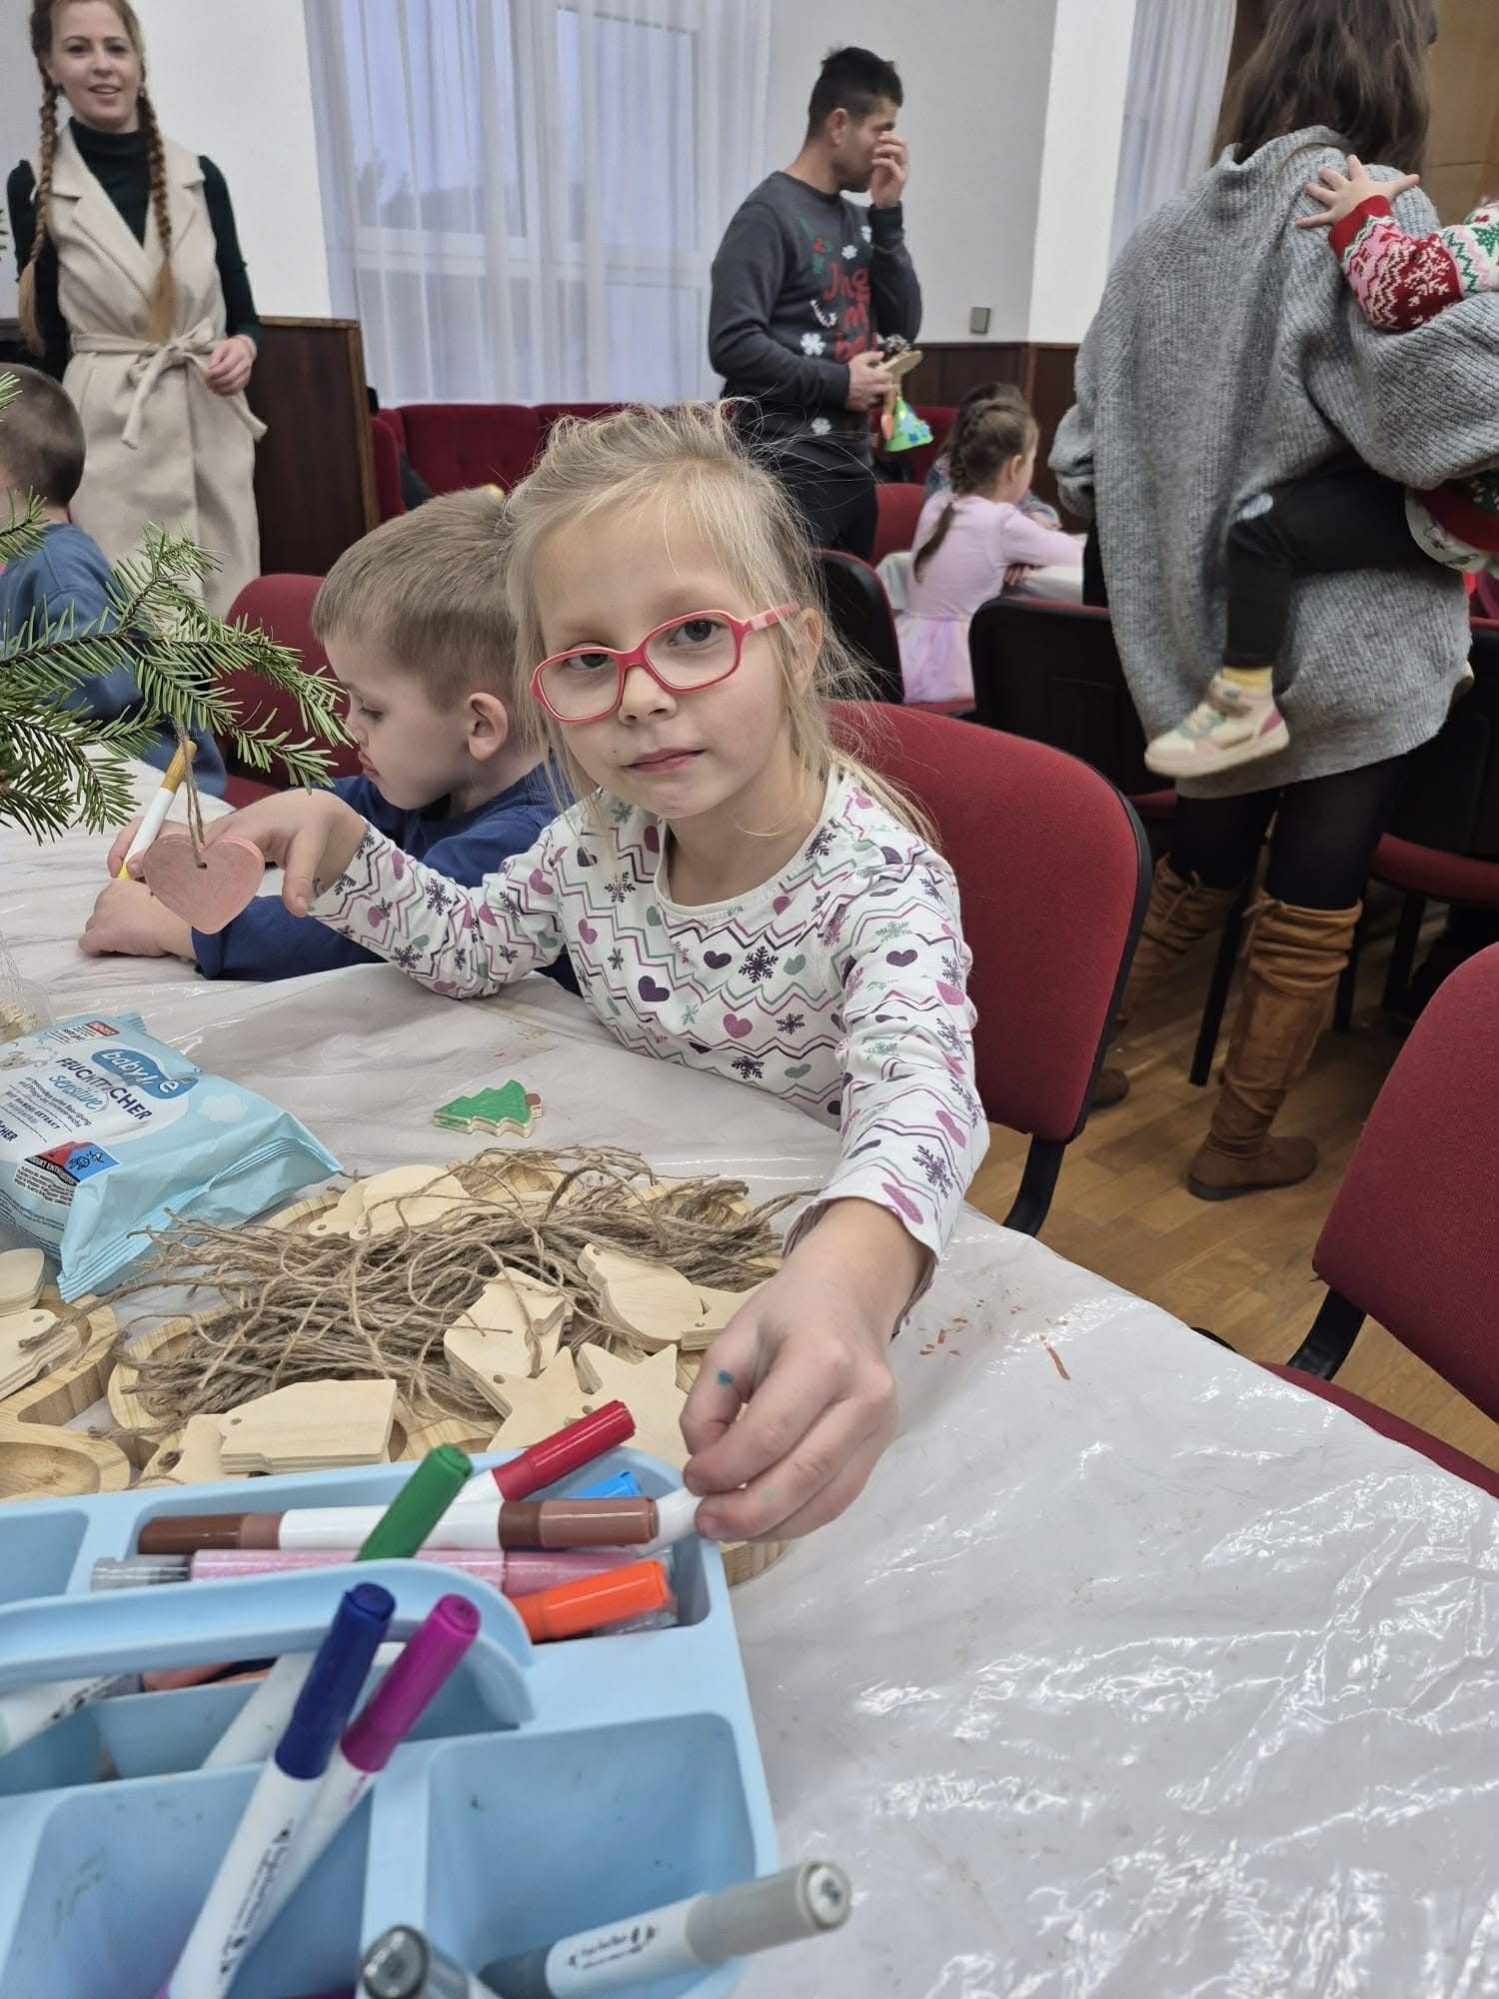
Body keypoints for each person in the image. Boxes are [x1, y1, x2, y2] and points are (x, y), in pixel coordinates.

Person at [136, 403, 986, 1543]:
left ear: (791, 645)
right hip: (626, 1245)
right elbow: (469, 947)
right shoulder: (599, 840)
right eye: (588, 660)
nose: (638, 694)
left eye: (694, 633)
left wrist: (846, 1278)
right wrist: (342, 852)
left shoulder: (879, 885)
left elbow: (923, 1102)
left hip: (805, 1278)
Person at [1051, 0, 1497, 1199]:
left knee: (1195, 861)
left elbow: (1078, 466)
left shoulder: (1159, 233)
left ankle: (1079, 1059)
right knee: (1312, 895)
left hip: (1203, 650)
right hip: (1355, 646)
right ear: (1396, 65)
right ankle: (1235, 1145)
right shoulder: (1365, 210)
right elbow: (1451, 423)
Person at [82, 492, 562, 981]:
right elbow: (341, 808)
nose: (350, 724)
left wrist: (174, 927)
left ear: (480, 726)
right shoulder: (440, 780)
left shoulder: (525, 840)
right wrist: (216, 839)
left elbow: (361, 938)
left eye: (372, 708)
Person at [1146, 157, 1499, 778]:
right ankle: (1452, 655)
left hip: (1454, 506)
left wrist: (1362, 209)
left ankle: (1243, 706)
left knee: (1260, 526)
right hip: (1473, 512)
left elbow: (1394, 289)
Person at [8, 0, 264, 616]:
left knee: (229, 613)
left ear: (139, 61)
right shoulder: (34, 187)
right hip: (107, 430)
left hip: (209, 421)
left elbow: (243, 313)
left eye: (116, 48)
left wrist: (243, 347)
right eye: (78, 49)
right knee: (134, 617)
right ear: (49, 65)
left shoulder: (200, 177)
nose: (102, 65)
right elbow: (50, 345)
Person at [709, 46, 920, 560]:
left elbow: (903, 326)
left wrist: (887, 215)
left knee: (846, 611)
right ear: (839, 124)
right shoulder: (767, 215)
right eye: (881, 130)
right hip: (783, 471)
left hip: (854, 468)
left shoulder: (861, 221)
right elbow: (732, 343)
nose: (889, 148)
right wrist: (840, 383)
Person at [0, 360, 225, 791]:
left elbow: (100, 679)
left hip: (159, 786)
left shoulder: (58, 563)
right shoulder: (26, 558)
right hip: (90, 776)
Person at [896, 398, 1082, 704]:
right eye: (1033, 461)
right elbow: (1073, 553)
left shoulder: (937, 503)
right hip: (961, 665)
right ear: (1014, 467)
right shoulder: (1003, 521)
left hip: (908, 652)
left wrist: (1020, 552)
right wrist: (1025, 549)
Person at [923, 382, 1062, 528]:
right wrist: (1029, 520)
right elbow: (963, 523)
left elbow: (1036, 507)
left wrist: (1042, 517)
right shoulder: (949, 469)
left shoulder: (1011, 471)